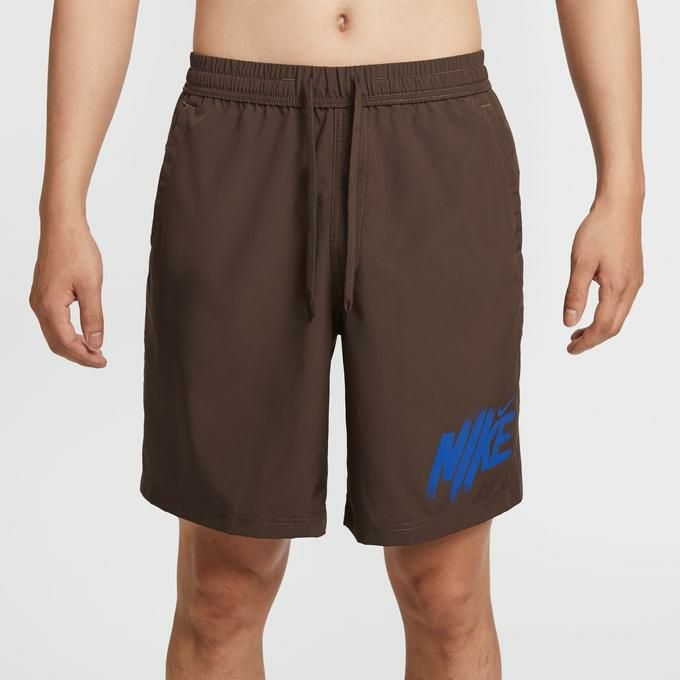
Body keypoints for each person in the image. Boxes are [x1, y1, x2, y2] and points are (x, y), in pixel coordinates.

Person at [29, 1, 644, 678]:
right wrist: (62, 207)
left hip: (437, 146)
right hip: (240, 133)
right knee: (222, 592)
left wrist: (623, 189)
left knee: (447, 591)